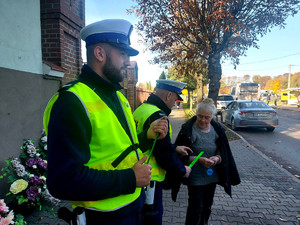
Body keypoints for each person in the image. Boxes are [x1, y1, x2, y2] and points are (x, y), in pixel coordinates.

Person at [43, 19, 169, 225]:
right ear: (100, 54)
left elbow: (120, 151)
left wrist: (145, 137)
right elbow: (62, 181)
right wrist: (130, 179)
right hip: (102, 218)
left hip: (131, 210)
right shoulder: (71, 102)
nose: (128, 61)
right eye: (123, 53)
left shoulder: (118, 97)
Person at [171, 98, 241, 225]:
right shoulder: (188, 130)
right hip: (195, 175)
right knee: (196, 207)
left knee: (207, 206)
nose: (203, 120)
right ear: (196, 114)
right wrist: (198, 160)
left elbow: (222, 152)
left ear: (212, 117)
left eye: (207, 117)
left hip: (211, 175)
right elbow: (179, 154)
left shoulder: (217, 129)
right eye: (200, 116)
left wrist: (217, 158)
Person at [133, 79, 192, 225]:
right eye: (175, 99)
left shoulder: (141, 109)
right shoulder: (158, 116)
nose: (174, 103)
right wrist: (181, 169)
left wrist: (175, 148)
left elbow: (149, 143)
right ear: (168, 96)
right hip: (150, 180)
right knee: (152, 220)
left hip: (136, 174)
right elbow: (163, 153)